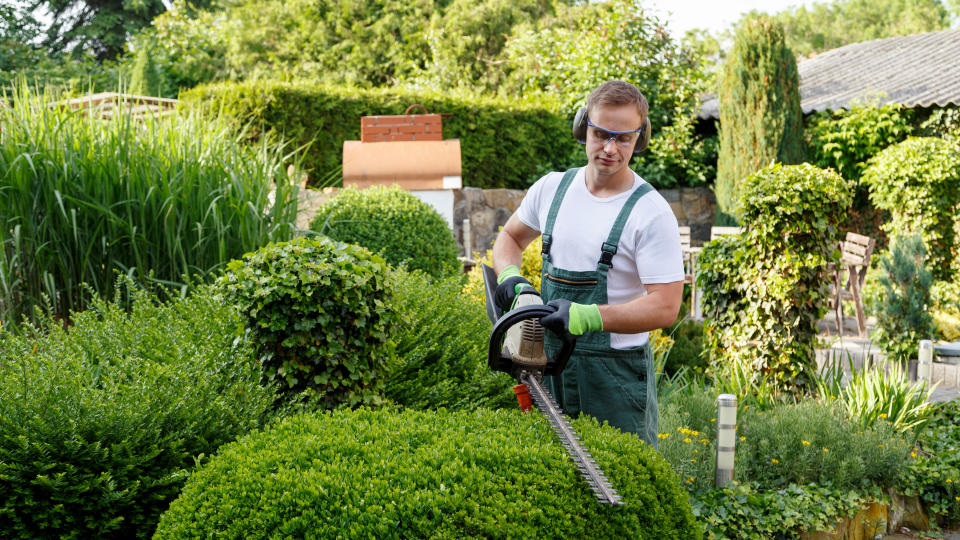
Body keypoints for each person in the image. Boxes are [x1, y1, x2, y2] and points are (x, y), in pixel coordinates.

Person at [491, 80, 684, 447]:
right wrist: (513, 280)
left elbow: (665, 306)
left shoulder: (650, 212)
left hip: (614, 379)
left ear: (639, 139)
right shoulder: (551, 189)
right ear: (584, 129)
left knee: (624, 487)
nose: (610, 148)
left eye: (623, 138)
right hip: (547, 367)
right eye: (601, 134)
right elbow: (510, 239)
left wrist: (587, 316)